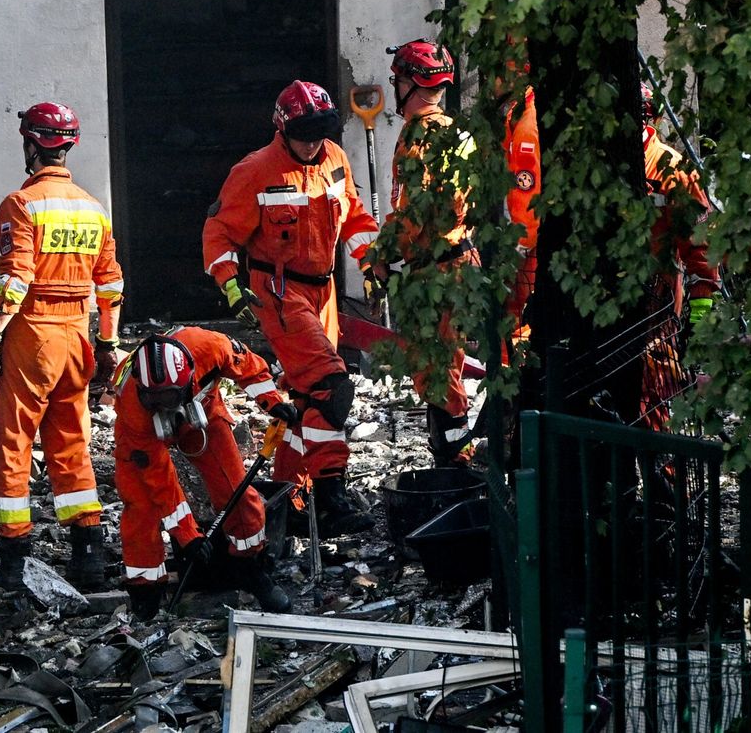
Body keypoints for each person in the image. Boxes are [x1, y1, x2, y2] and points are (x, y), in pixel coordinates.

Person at [202, 80, 379, 537]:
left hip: (325, 293)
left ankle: (286, 492)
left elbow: (355, 215)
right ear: (282, 129)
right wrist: (231, 286)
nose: (312, 143)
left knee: (304, 396)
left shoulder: (335, 159)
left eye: (320, 133)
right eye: (304, 134)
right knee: (330, 385)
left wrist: (371, 264)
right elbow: (220, 232)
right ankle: (331, 495)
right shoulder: (256, 170)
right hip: (279, 292)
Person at [0, 102, 124, 591]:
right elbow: (111, 285)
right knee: (71, 444)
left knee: (12, 443)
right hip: (77, 337)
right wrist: (107, 344)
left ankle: (14, 565)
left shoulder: (21, 206)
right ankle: (87, 559)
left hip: (32, 335)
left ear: (32, 145)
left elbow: (17, 278)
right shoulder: (92, 208)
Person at [113, 328, 296, 619]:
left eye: (168, 397)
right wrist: (189, 536)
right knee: (141, 505)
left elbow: (249, 368)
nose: (162, 406)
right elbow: (161, 481)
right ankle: (145, 591)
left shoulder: (211, 347)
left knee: (234, 489)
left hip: (204, 414)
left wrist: (273, 403)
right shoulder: (134, 408)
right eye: (154, 399)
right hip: (143, 437)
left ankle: (252, 569)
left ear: (187, 379)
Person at [379, 39, 478, 466]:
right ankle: (456, 453)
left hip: (433, 272)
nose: (394, 88)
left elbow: (410, 215)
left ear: (412, 84)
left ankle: (454, 463)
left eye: (397, 79)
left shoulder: (417, 139)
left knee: (434, 373)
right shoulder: (459, 131)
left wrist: (380, 258)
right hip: (462, 262)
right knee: (447, 367)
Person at [637, 82, 719, 429]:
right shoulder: (603, 163)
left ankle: (663, 471)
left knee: (655, 385)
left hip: (658, 297)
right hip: (614, 296)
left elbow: (700, 247)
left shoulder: (672, 169)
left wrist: (701, 314)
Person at [500, 63, 542, 354]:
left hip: (528, 242)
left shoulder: (527, 125)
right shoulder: (521, 112)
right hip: (527, 234)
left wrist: (520, 244)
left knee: (518, 317)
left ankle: (516, 382)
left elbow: (527, 191)